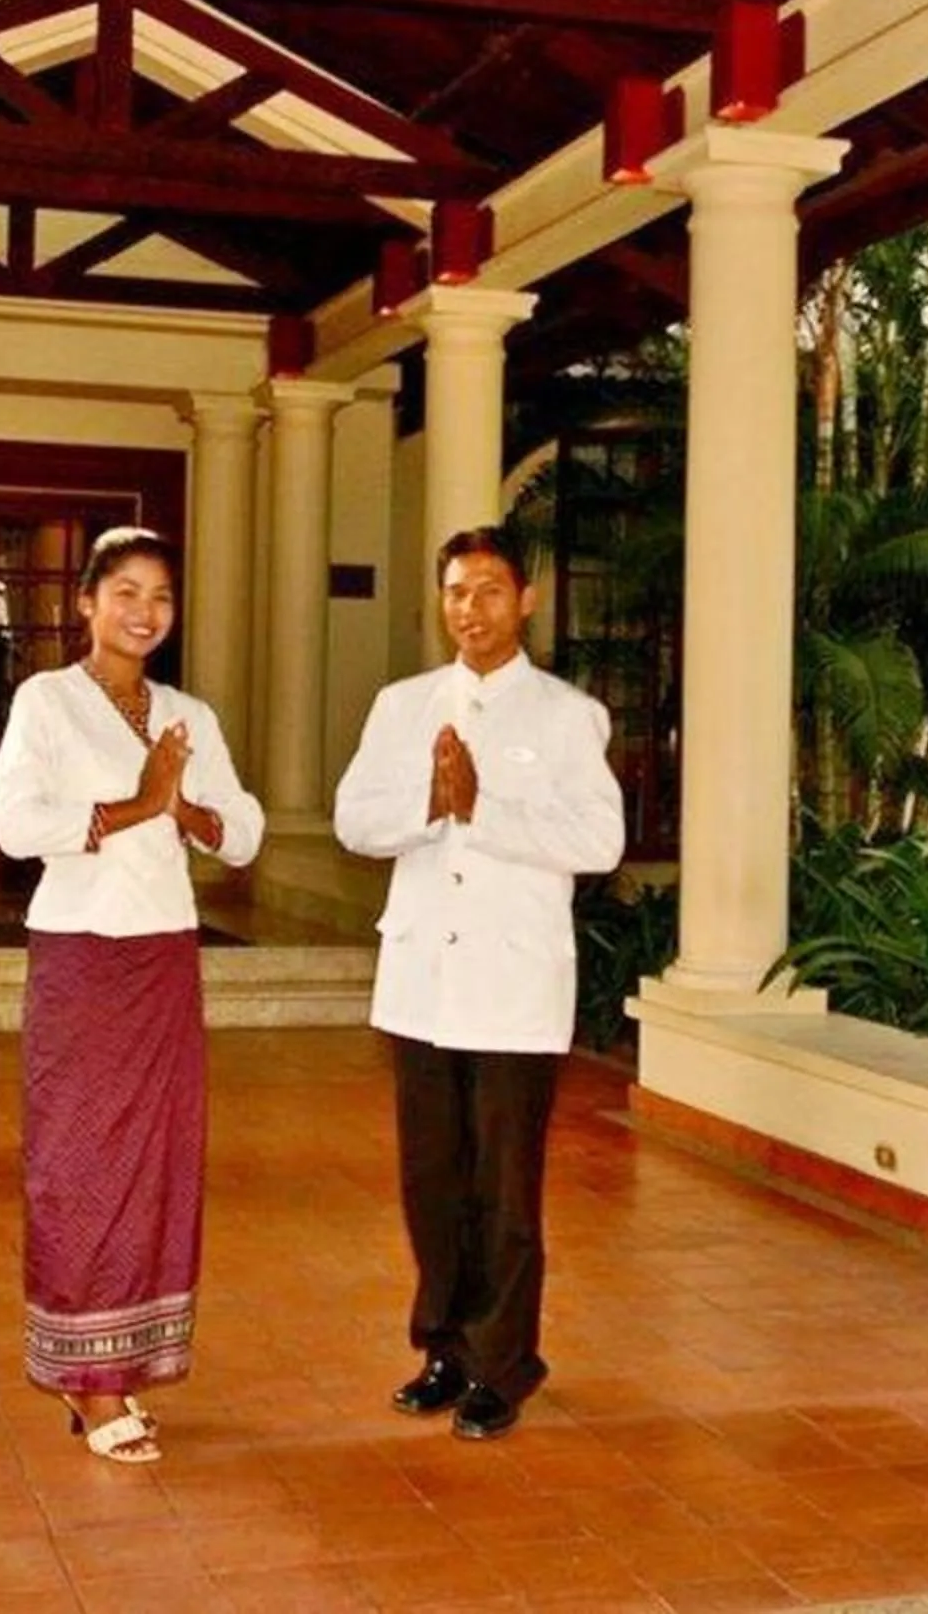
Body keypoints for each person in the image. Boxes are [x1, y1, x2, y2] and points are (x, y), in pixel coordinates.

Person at [333, 526, 626, 1441]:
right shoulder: (402, 705)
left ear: (525, 601)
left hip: (512, 988)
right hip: (422, 980)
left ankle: (506, 1364)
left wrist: (483, 808)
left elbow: (598, 843)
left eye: (491, 591)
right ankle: (445, 1350)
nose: (472, 610)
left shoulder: (568, 716)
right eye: (457, 592)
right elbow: (353, 819)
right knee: (433, 1181)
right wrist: (430, 804)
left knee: (505, 1188)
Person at [0, 526, 264, 1463]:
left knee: (158, 1164)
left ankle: (125, 1366)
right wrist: (140, 806)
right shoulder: (47, 701)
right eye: (126, 593)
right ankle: (91, 1384)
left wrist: (185, 807)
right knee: (77, 1165)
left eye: (161, 597)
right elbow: (15, 823)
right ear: (86, 603)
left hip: (163, 958)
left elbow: (247, 835)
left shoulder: (188, 714)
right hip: (79, 955)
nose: (145, 612)